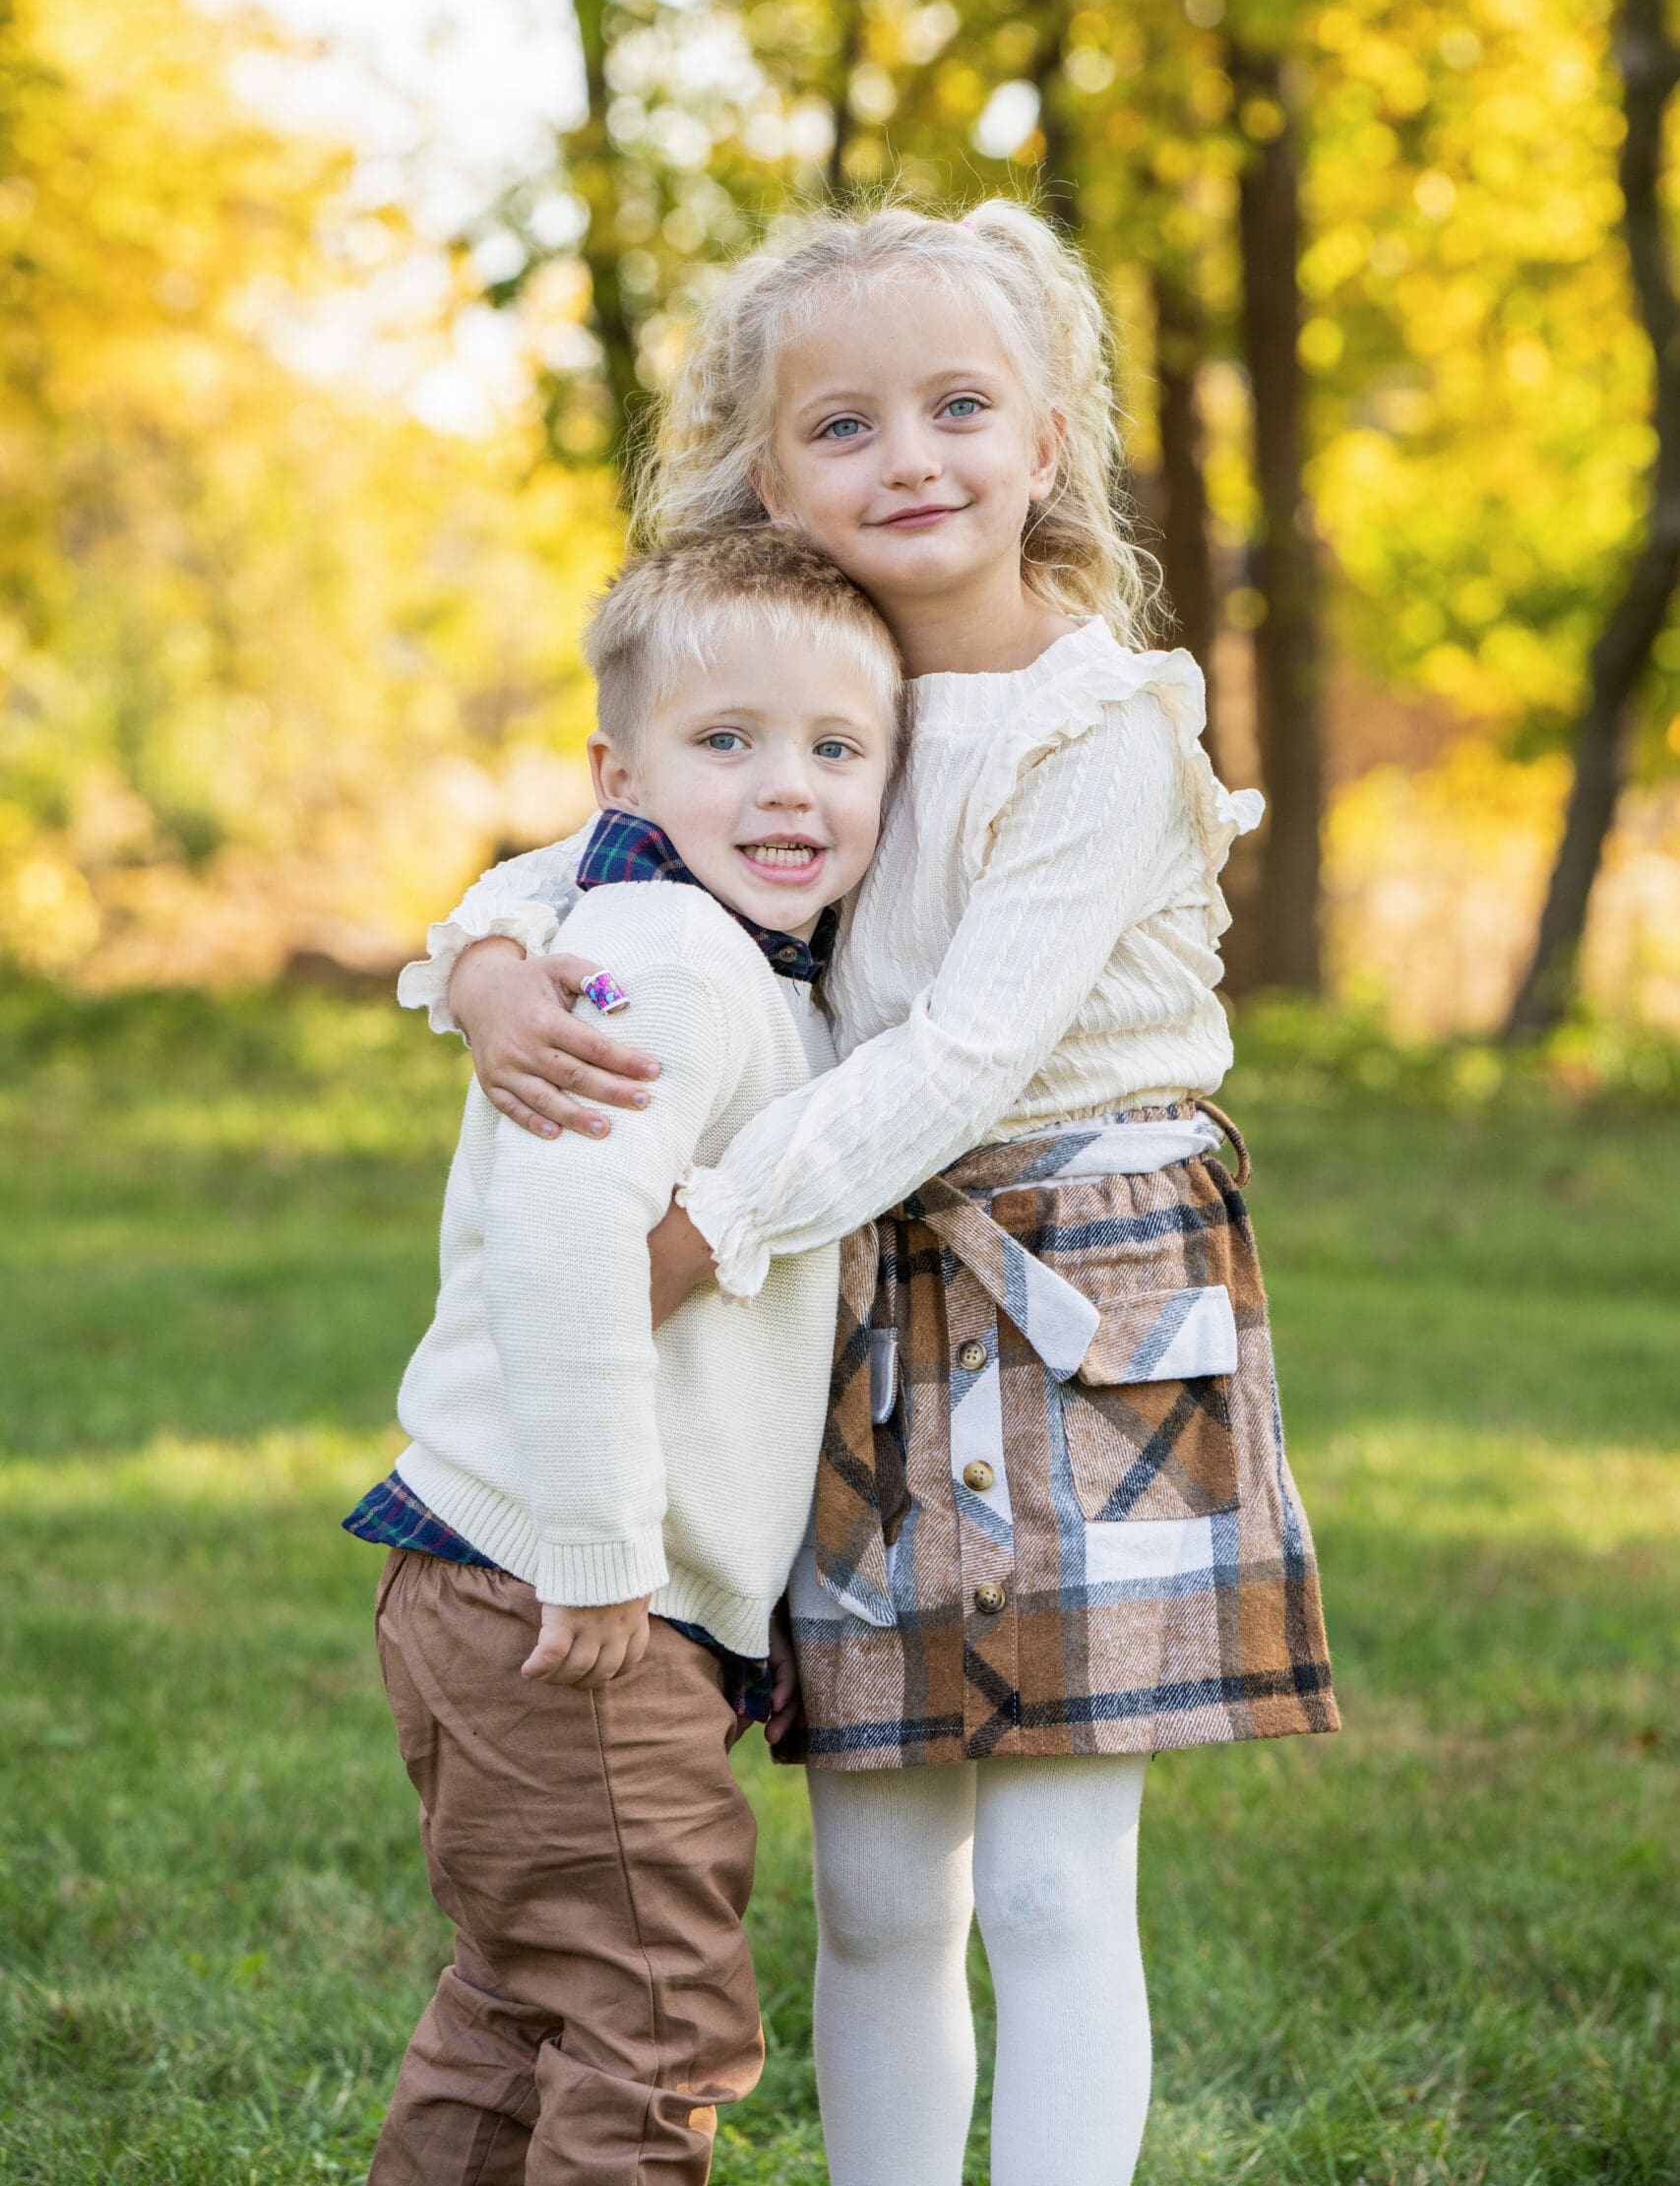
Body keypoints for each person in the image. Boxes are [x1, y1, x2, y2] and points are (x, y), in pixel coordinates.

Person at [404, 200, 1338, 2186]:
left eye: (956, 405)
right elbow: (603, 843)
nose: (906, 456)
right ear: (765, 465)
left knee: (1059, 1884)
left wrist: (707, 1226)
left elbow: (958, 1056)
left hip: (1075, 1284)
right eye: (843, 424)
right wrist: (481, 965)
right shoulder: (805, 678)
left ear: (1049, 428)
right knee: (880, 1887)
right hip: (860, 1295)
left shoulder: (1098, 727)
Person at [345, 525, 902, 2186]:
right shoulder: (677, 958)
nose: (786, 789)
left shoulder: (721, 961)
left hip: (508, 1576)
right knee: (656, 2027)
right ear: (620, 773)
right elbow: (565, 1243)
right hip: (565, 1591)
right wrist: (601, 1562)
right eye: (727, 743)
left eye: (836, 749)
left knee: (529, 1995)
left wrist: (739, 1606)